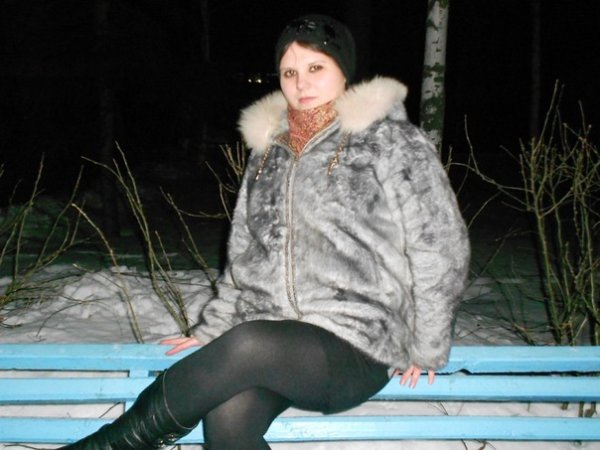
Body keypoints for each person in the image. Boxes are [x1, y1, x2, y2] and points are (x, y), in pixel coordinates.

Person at [60, 13, 470, 450]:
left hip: (359, 343)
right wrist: (212, 329)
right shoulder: (269, 153)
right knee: (228, 415)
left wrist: (427, 343)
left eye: (316, 67)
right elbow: (242, 256)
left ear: (344, 71)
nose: (301, 83)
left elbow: (439, 246)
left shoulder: (390, 142)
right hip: (277, 342)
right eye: (289, 72)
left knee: (249, 342)